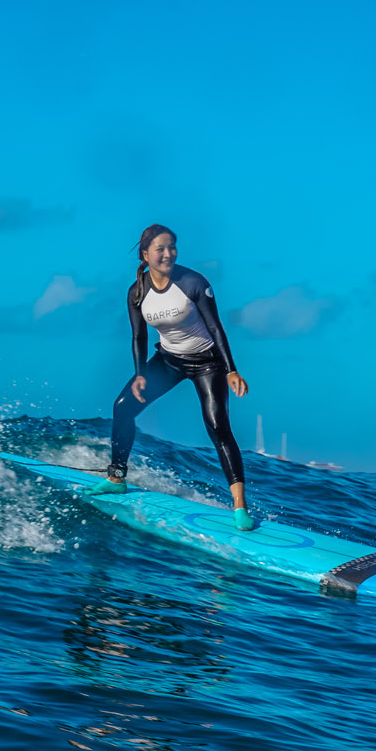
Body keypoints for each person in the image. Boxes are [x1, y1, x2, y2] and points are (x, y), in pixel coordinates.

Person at [88, 223, 255, 530]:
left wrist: (231, 369)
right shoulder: (137, 292)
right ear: (145, 255)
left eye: (172, 247)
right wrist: (140, 374)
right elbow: (138, 337)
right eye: (160, 249)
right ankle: (116, 477)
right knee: (122, 407)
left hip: (208, 363)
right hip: (168, 361)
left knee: (218, 426)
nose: (168, 254)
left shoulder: (193, 282)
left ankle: (240, 508)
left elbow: (216, 327)